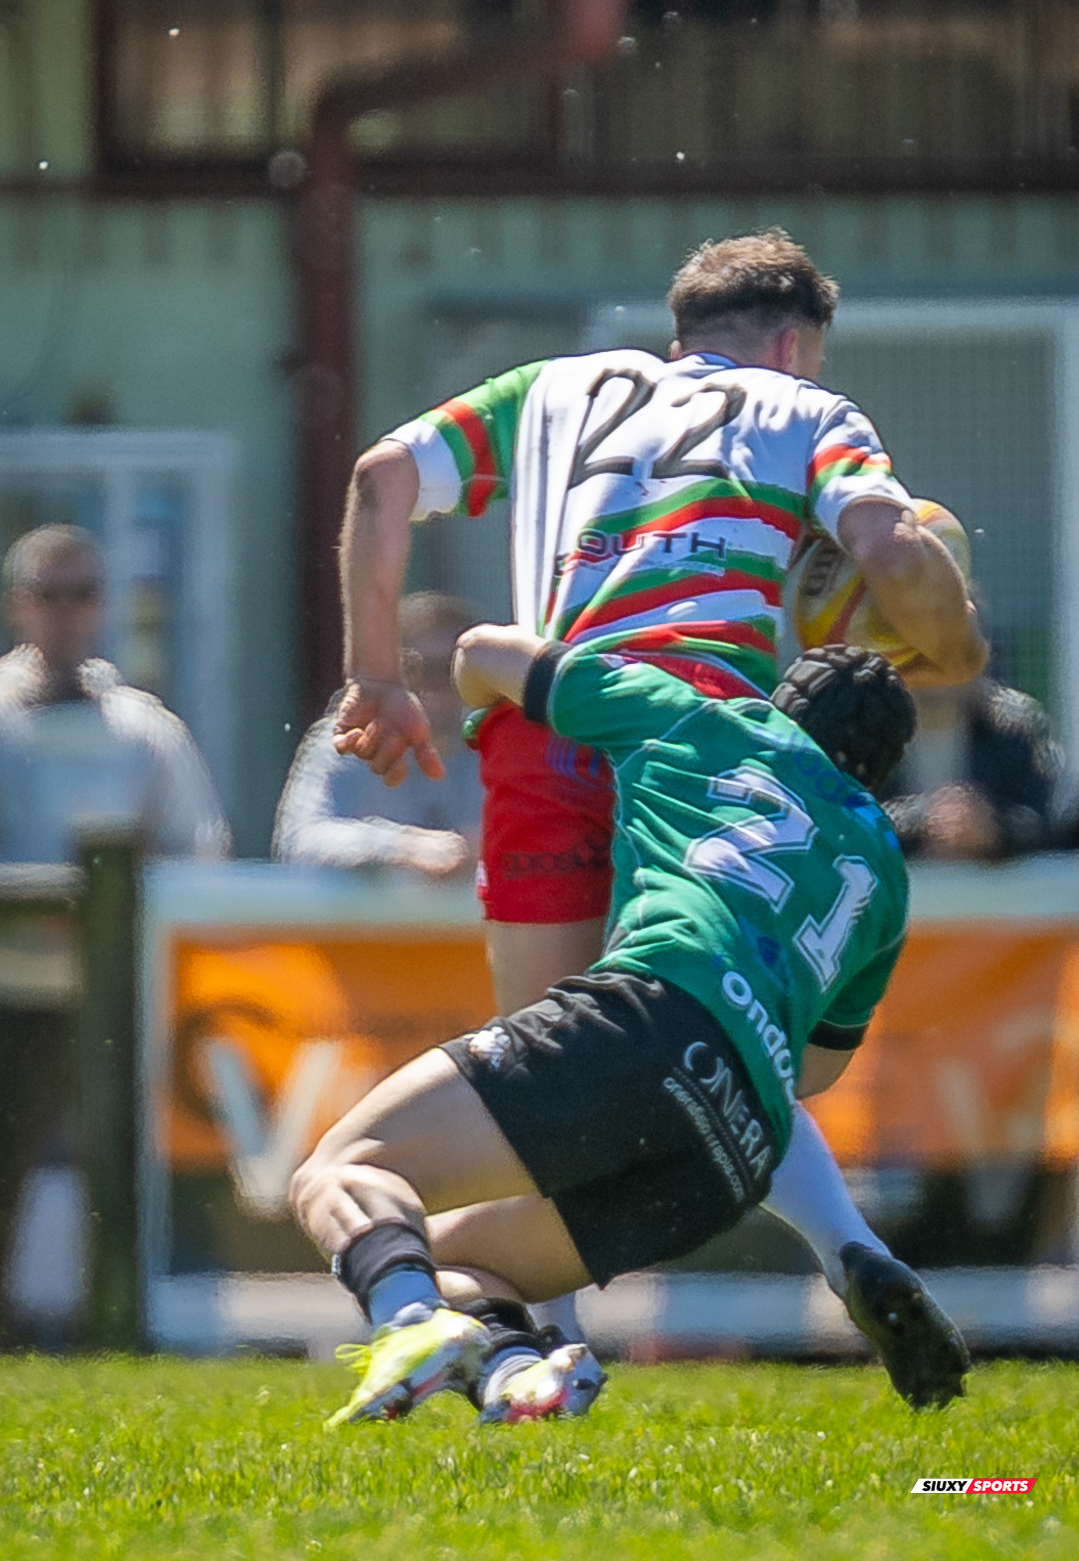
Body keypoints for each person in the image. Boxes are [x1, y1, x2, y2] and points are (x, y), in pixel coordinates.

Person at [331, 230, 987, 1314]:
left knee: (550, 1075)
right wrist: (955, 644)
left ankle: (530, 1352)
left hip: (550, 720)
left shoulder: (550, 391)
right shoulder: (805, 411)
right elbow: (883, 548)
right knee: (718, 1025)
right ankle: (843, 1249)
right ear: (791, 344)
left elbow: (381, 477)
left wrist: (373, 676)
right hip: (702, 738)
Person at [293, 638, 970, 1426]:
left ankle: (406, 1324)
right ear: (877, 776)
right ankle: (526, 1382)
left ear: (781, 704)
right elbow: (813, 1072)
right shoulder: (883, 867)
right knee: (456, 1253)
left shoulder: (705, 723)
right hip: (742, 1141)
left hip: (649, 1013)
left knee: (343, 1172)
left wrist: (479, 706)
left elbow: (481, 650)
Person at [0, 524, 230, 1352]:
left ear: (103, 605)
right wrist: (30, 902)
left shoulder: (143, 728)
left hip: (117, 997)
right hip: (8, 994)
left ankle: (119, 1342)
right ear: (17, 605)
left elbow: (198, 844)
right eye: (49, 594)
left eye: (82, 593)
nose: (67, 613)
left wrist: (119, 905)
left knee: (125, 1189)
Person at [273, 593, 481, 879]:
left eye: (451, 669)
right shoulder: (348, 737)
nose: (437, 685)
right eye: (420, 668)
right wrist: (400, 846)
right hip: (363, 923)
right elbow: (299, 843)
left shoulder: (491, 744)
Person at [882, 675, 1058, 860]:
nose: (935, 667)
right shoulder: (864, 718)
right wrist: (924, 818)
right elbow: (853, 821)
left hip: (995, 885)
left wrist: (993, 826)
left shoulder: (1016, 722)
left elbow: (1044, 821)